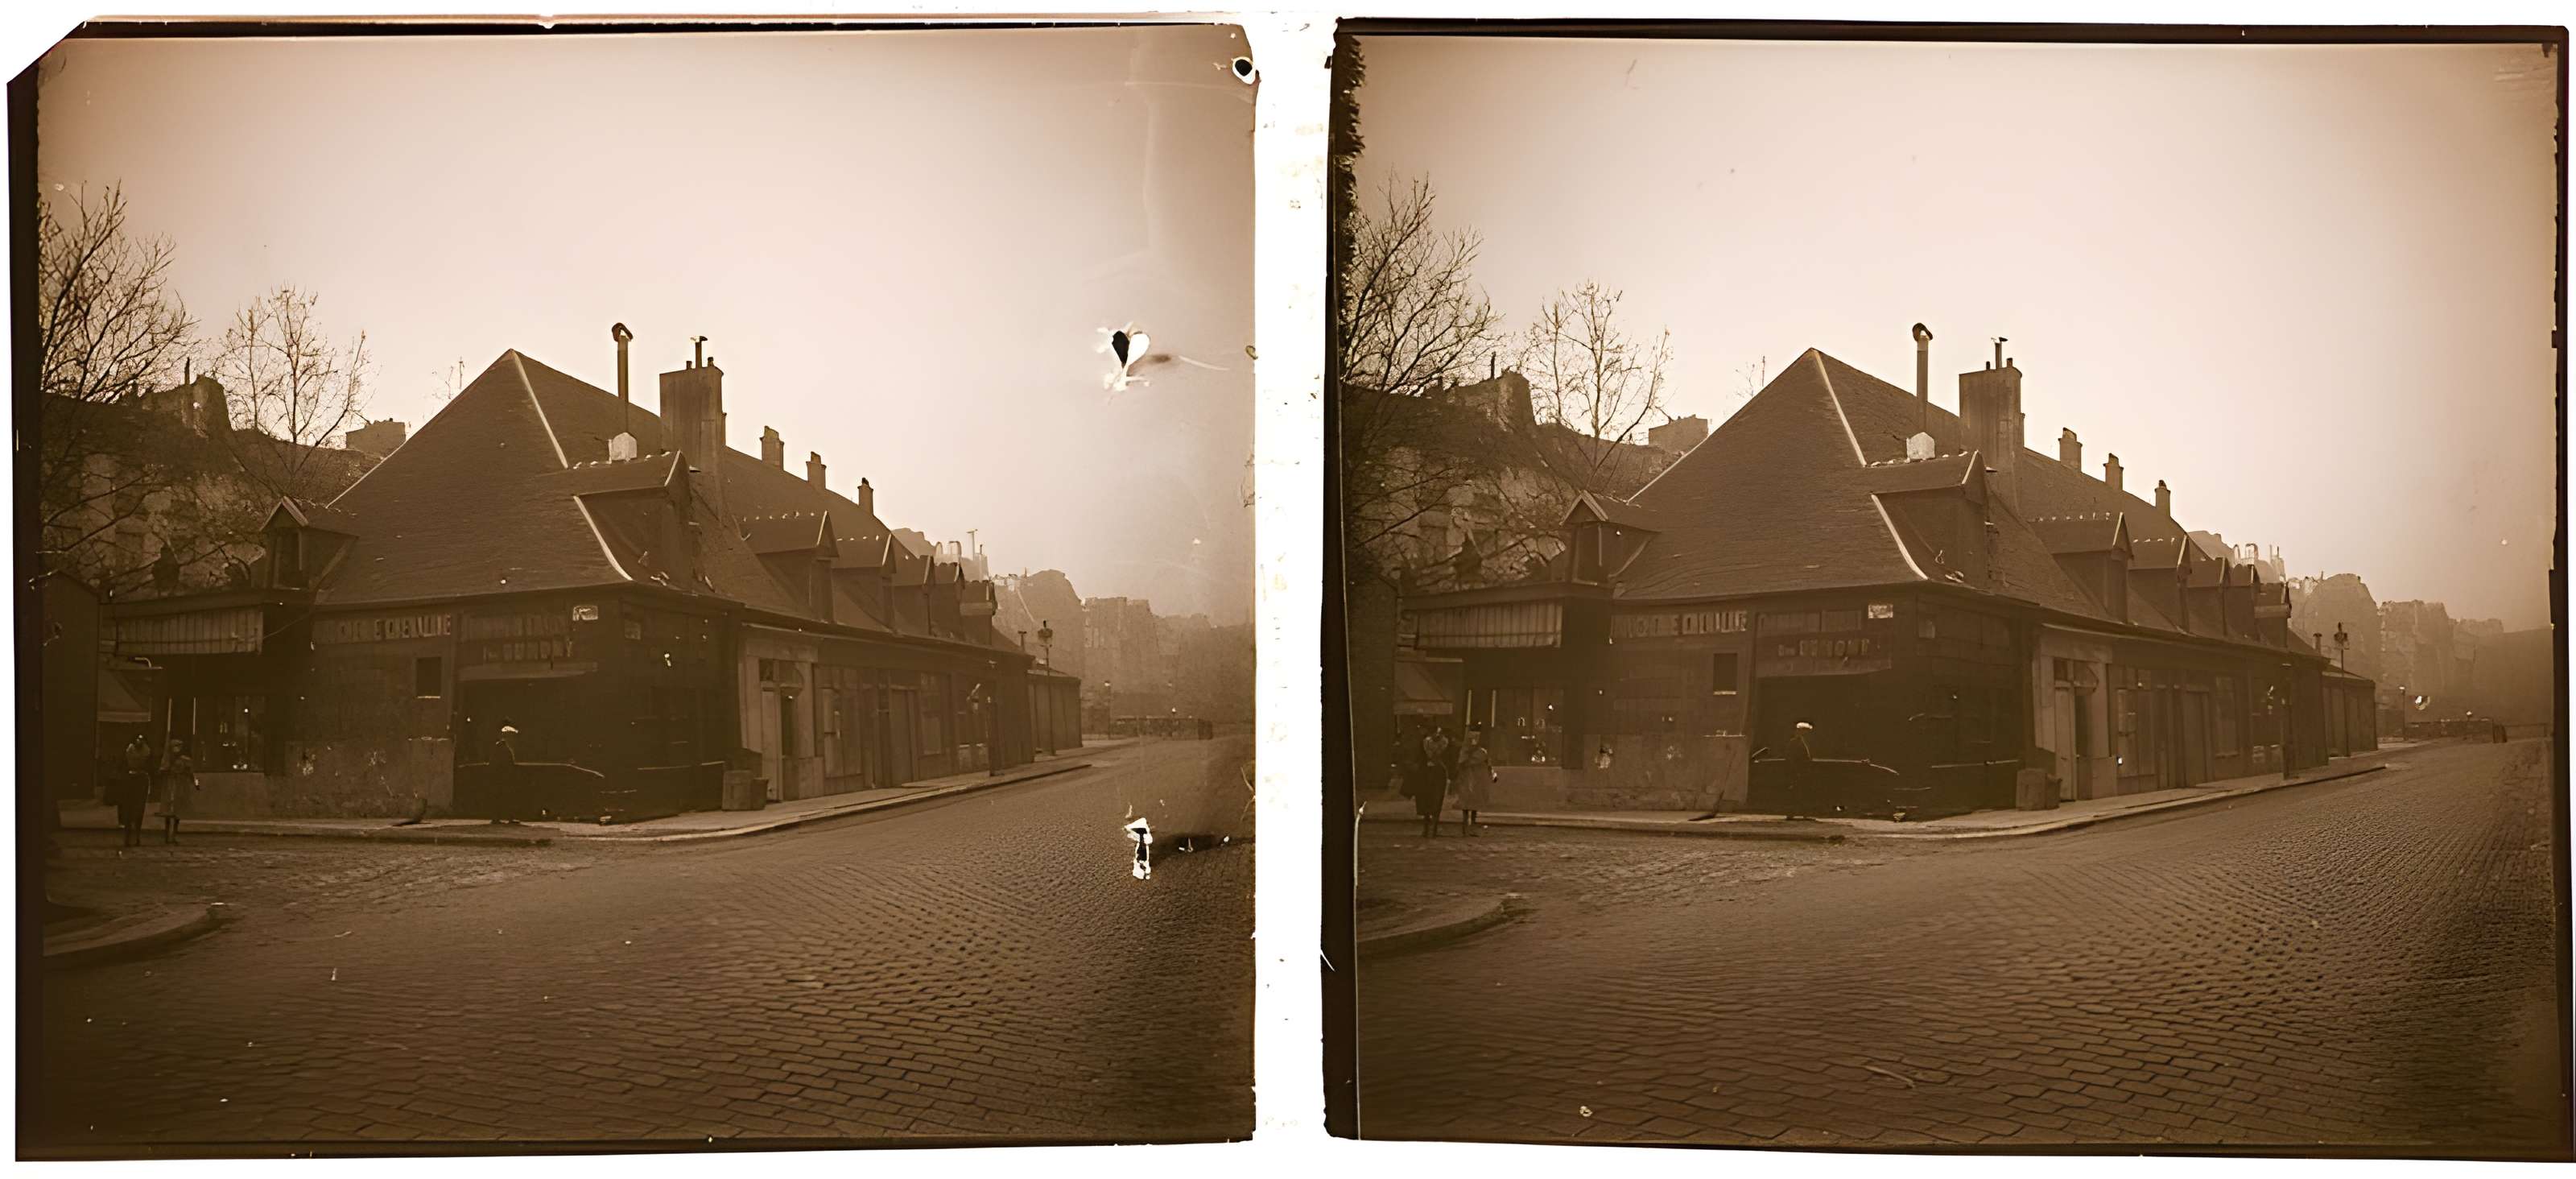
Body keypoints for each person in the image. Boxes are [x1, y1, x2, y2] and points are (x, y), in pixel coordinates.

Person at [1410, 726, 1457, 838]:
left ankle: (1430, 827)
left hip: (1434, 773)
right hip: (1431, 773)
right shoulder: (1444, 743)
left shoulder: (1429, 743)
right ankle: (1430, 828)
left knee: (1433, 800)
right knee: (1431, 800)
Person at [1454, 724, 1496, 836]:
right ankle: (1469, 826)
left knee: (1470, 802)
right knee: (1469, 802)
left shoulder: (1479, 750)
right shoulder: (1478, 749)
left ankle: (1468, 826)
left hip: (1474, 776)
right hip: (1471, 776)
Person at [155, 738, 197, 846]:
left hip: (179, 786)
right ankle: (167, 836)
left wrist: (195, 783)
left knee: (177, 813)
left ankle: (173, 835)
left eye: (178, 747)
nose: (177, 749)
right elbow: (161, 771)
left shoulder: (184, 760)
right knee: (168, 813)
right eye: (175, 746)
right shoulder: (167, 760)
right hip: (169, 786)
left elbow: (190, 773)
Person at [116, 734, 155, 848]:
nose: (139, 741)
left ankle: (136, 835)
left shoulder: (147, 752)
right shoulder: (129, 751)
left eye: (141, 739)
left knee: (138, 810)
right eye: (138, 739)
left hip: (141, 780)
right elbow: (122, 766)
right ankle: (128, 836)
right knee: (128, 809)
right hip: (130, 780)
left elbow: (150, 767)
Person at [1782, 721, 1817, 822]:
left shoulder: (1801, 742)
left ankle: (1795, 813)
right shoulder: (1795, 742)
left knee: (1800, 792)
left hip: (1800, 771)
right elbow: (1791, 758)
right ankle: (1794, 813)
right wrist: (1796, 770)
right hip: (1798, 771)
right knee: (1798, 792)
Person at [491, 724, 525, 825]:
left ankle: (498, 818)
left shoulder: (501, 747)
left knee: (501, 797)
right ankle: (504, 817)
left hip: (501, 776)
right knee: (505, 796)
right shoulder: (503, 748)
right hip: (503, 776)